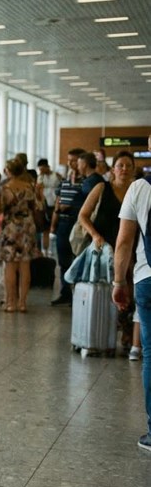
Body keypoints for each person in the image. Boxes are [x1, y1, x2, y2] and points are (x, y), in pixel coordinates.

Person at [113, 138, 151, 452]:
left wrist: (117, 282)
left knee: (150, 354)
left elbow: (124, 243)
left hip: (147, 278)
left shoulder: (140, 188)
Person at [81, 151, 138, 355]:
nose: (124, 169)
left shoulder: (137, 191)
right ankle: (101, 332)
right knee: (103, 291)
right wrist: (96, 235)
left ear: (134, 169)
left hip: (130, 250)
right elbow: (83, 215)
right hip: (103, 249)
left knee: (129, 291)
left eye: (128, 166)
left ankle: (127, 332)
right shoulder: (102, 188)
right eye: (120, 165)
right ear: (112, 169)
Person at [0, 159, 41, 313]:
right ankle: (22, 303)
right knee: (25, 265)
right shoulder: (29, 187)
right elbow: (35, 206)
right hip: (27, 226)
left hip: (11, 227)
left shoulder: (4, 188)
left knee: (10, 265)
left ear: (8, 170)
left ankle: (10, 303)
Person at [50, 148, 88, 306]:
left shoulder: (85, 183)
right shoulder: (64, 182)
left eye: (74, 160)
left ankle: (78, 293)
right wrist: (53, 225)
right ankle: (65, 292)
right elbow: (57, 204)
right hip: (63, 225)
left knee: (78, 259)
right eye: (69, 160)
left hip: (78, 224)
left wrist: (72, 208)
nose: (71, 164)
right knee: (63, 259)